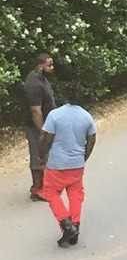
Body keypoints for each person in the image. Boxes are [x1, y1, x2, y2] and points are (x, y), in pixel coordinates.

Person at [39, 89, 97, 247]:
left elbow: (46, 138)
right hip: (76, 165)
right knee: (75, 194)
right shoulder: (87, 116)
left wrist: (42, 155)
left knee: (50, 193)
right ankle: (75, 226)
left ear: (65, 98)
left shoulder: (55, 115)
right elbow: (92, 140)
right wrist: (83, 158)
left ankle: (66, 224)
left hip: (56, 165)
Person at [23, 53, 56, 200]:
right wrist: (42, 130)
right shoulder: (33, 83)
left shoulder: (42, 78)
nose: (52, 67)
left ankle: (45, 187)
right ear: (40, 65)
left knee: (45, 155)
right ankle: (36, 190)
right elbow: (35, 110)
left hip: (46, 123)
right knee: (38, 155)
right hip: (36, 125)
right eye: (49, 65)